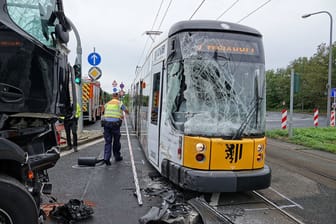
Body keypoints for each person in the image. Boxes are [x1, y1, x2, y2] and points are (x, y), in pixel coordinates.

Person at [102, 89, 128, 165]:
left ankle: (106, 158)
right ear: (117, 96)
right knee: (116, 141)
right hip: (115, 125)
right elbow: (126, 110)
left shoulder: (107, 103)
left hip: (106, 124)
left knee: (108, 141)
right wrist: (123, 115)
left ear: (112, 96)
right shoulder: (119, 103)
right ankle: (117, 156)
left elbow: (103, 111)